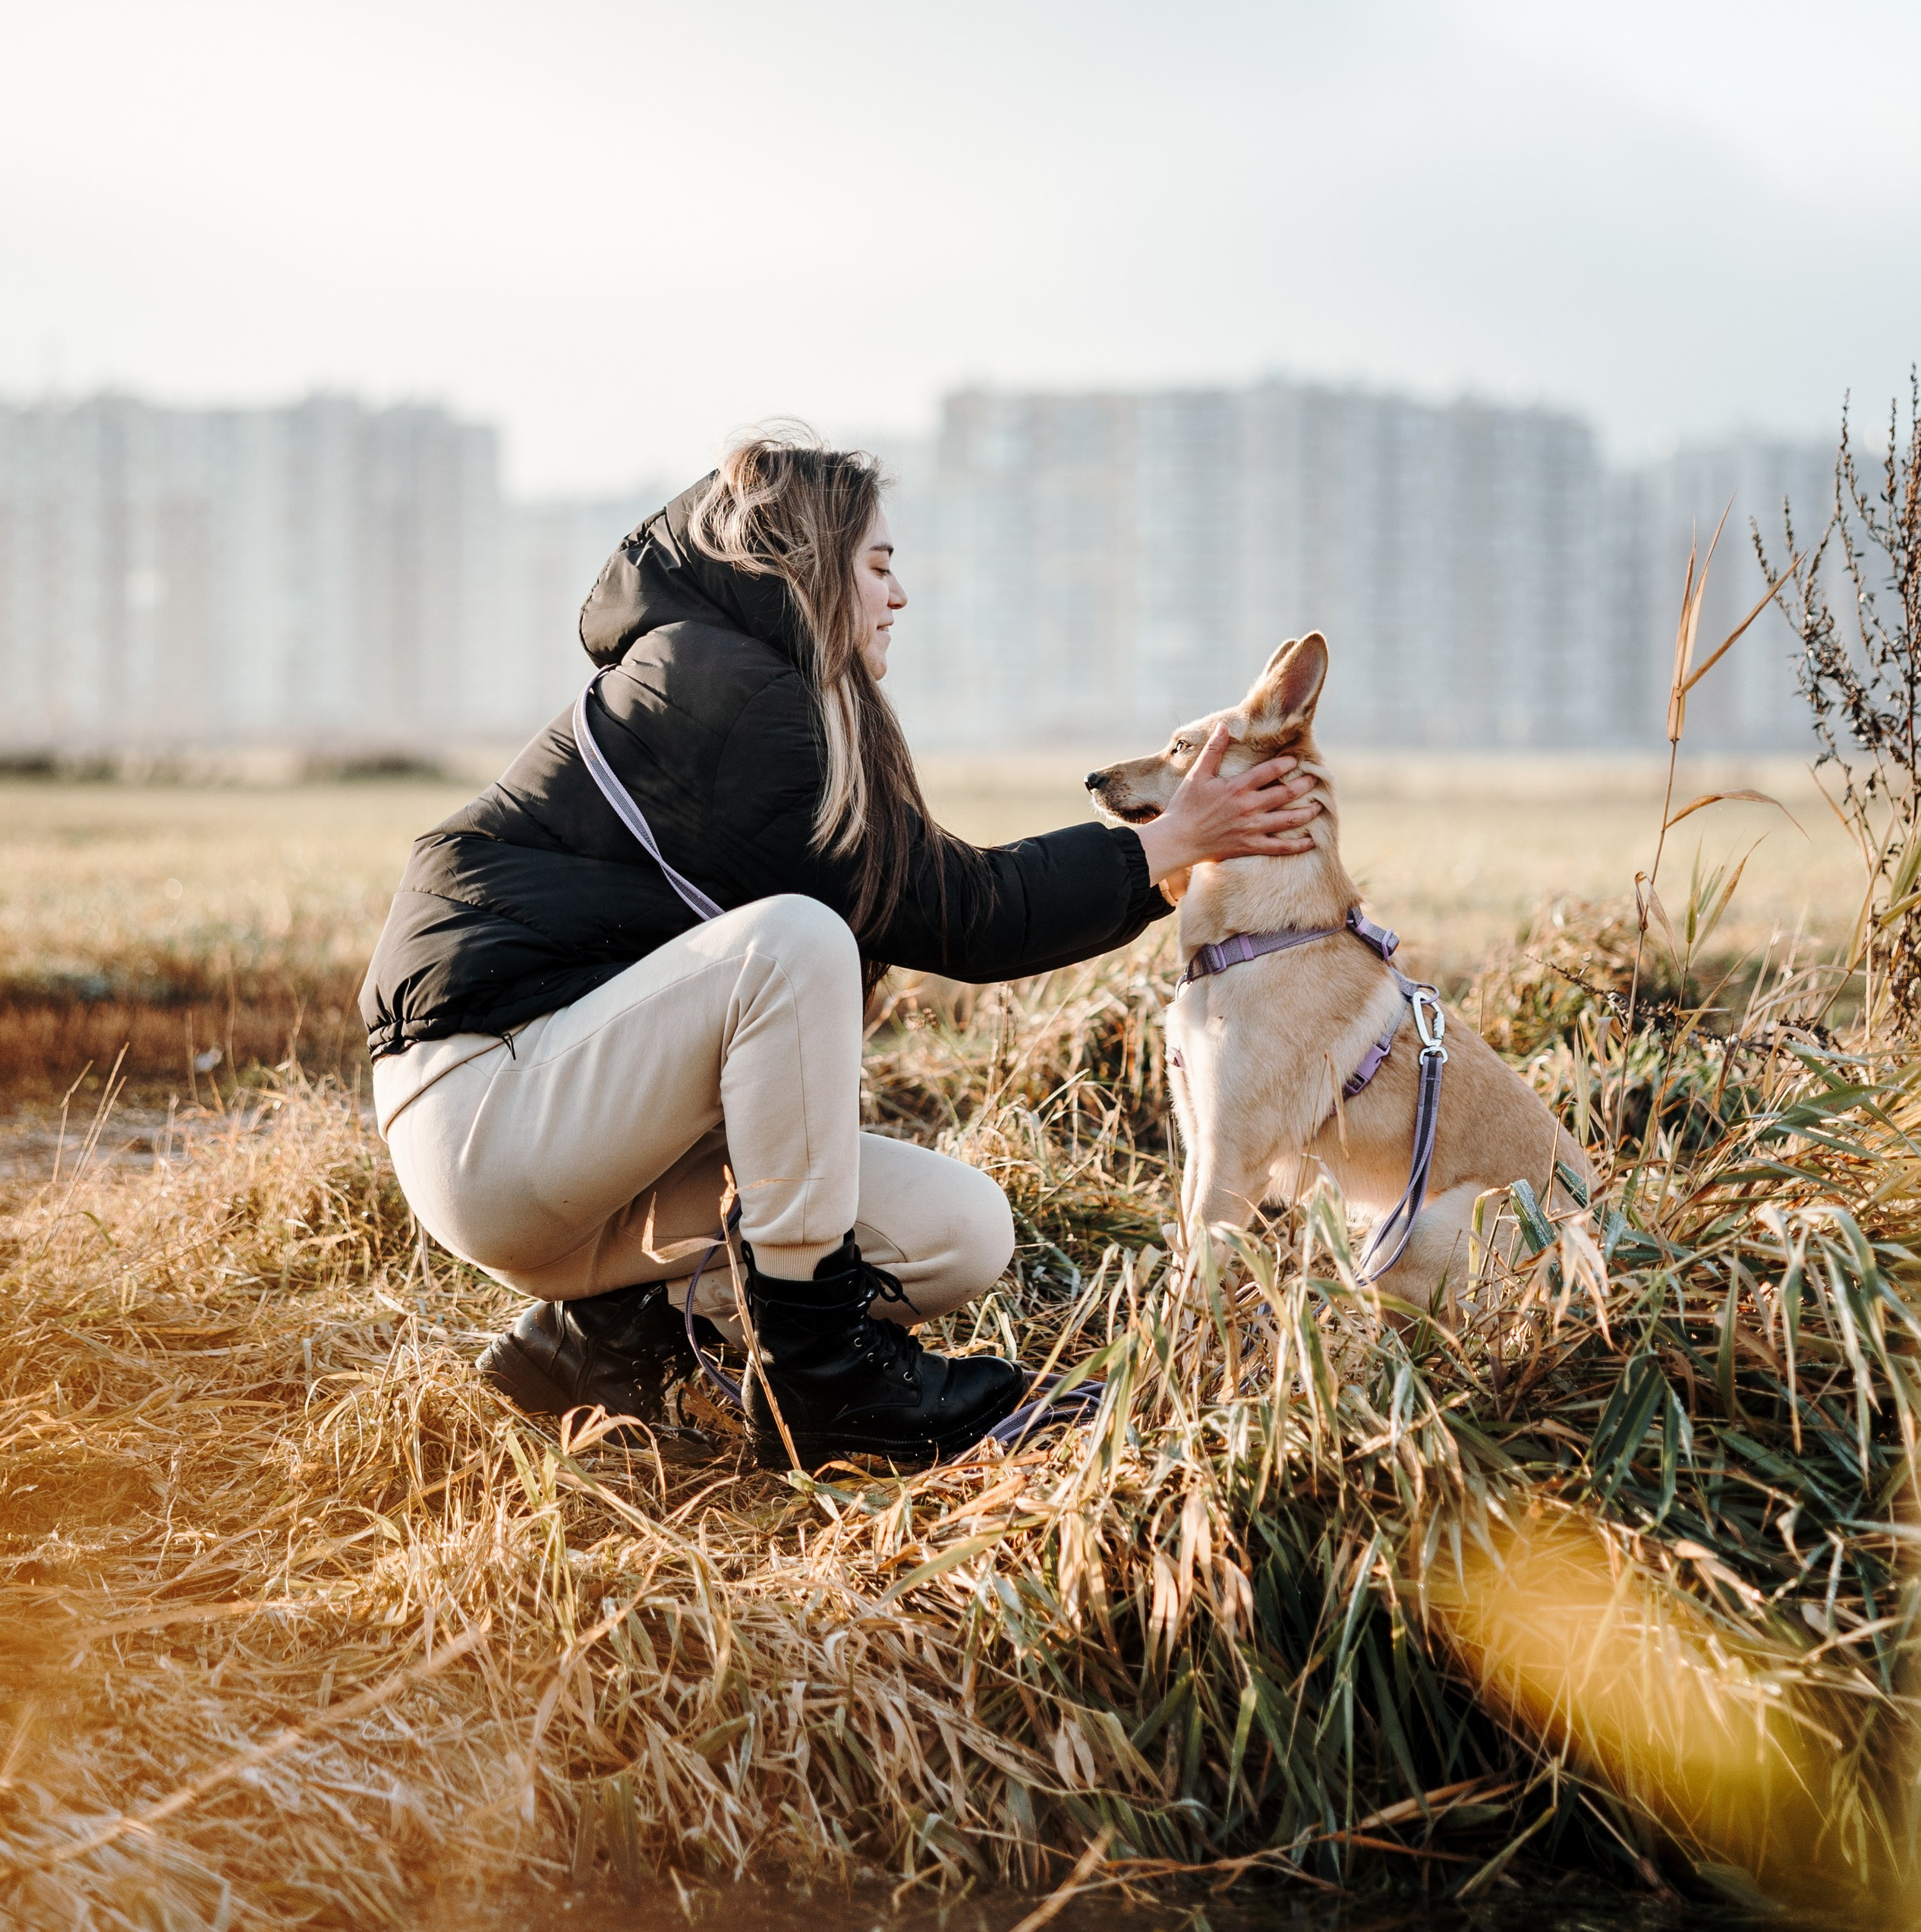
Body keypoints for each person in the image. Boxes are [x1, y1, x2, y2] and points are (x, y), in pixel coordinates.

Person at [358, 432, 1320, 1466]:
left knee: (960, 1230)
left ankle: (597, 1340)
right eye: (877, 564)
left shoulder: (768, 688)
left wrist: (1170, 848)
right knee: (792, 944)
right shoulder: (721, 687)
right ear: (811, 563)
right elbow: (962, 909)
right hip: (488, 1111)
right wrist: (1169, 844)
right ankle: (821, 1387)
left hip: (581, 1136)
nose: (899, 595)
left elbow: (941, 890)